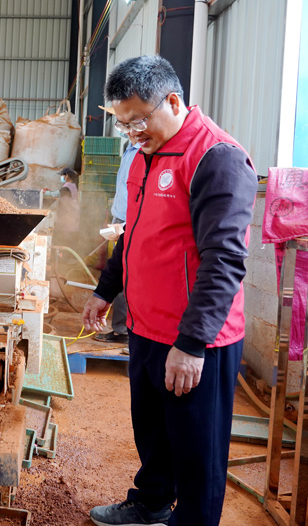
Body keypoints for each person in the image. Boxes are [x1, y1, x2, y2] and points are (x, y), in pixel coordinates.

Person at [82, 55, 256, 526]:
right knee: (155, 434)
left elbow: (224, 261)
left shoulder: (216, 158)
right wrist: (106, 289)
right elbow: (132, 232)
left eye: (138, 120)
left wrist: (191, 343)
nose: (132, 132)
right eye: (124, 124)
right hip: (147, 327)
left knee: (197, 450)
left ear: (173, 101)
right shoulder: (144, 154)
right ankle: (152, 500)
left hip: (195, 339)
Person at [92, 138, 138, 344]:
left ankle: (127, 333)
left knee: (130, 276)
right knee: (119, 269)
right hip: (121, 217)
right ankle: (122, 329)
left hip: (132, 220)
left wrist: (126, 225)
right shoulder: (129, 147)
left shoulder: (146, 150)